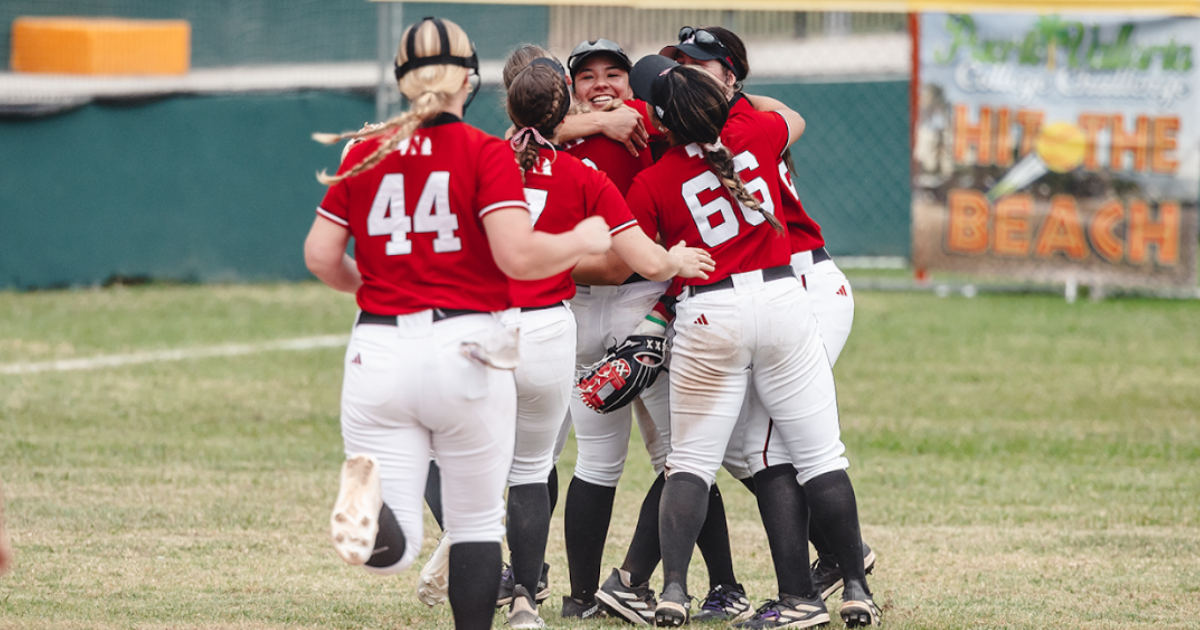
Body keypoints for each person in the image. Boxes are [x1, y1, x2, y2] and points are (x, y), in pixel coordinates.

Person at [304, 17, 610, 630]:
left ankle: (380, 521)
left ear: (400, 81)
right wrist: (580, 236)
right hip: (463, 346)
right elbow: (517, 256)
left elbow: (319, 256)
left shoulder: (366, 148)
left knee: (403, 522)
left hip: (380, 346)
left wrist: (372, 289)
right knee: (474, 523)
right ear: (469, 82)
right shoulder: (485, 152)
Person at [623, 55, 877, 628]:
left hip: (712, 312)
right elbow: (788, 117)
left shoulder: (654, 178)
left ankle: (673, 592)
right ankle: (856, 588)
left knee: (691, 461)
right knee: (819, 456)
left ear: (661, 124)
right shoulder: (757, 131)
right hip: (785, 300)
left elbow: (627, 258)